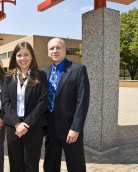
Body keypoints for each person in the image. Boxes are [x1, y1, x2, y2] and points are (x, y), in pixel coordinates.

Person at [43, 38, 90, 172]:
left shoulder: (78, 70)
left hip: (70, 127)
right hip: (50, 128)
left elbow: (83, 101)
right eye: (52, 48)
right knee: (50, 165)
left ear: (65, 50)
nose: (55, 51)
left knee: (76, 165)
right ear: (48, 52)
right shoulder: (43, 73)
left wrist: (76, 128)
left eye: (58, 48)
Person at [2, 42, 48, 172]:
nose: (23, 58)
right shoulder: (8, 76)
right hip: (13, 127)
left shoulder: (41, 76)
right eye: (19, 55)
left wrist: (26, 124)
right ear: (15, 57)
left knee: (31, 165)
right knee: (15, 164)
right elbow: (5, 101)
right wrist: (17, 123)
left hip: (33, 127)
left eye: (26, 55)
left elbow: (42, 102)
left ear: (32, 56)